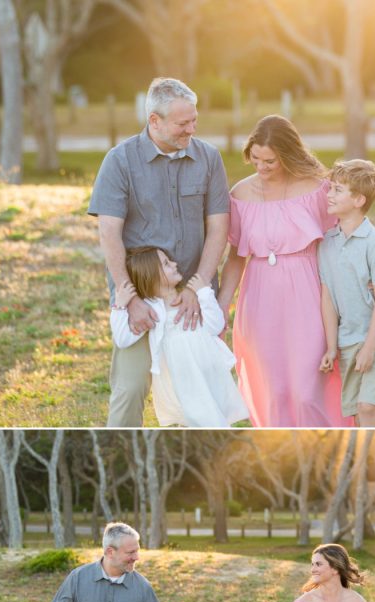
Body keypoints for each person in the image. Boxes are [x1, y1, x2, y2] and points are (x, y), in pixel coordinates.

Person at [89, 77, 231, 427]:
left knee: (195, 393)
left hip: (191, 298)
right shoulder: (119, 161)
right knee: (131, 387)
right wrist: (130, 297)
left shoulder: (209, 158)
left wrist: (197, 287)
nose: (191, 129)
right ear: (155, 120)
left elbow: (218, 228)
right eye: (183, 124)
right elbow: (109, 232)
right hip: (141, 297)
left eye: (194, 120)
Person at [217, 115, 351, 428]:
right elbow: (235, 257)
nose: (261, 168)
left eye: (270, 162)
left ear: (287, 156)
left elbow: (339, 244)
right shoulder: (240, 194)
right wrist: (223, 304)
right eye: (255, 159)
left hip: (308, 291)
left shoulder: (317, 189)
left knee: (307, 388)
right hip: (260, 295)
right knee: (273, 389)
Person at [110, 246, 248, 427]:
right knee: (200, 418)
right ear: (151, 276)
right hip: (182, 378)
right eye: (167, 264)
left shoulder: (192, 300)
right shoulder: (152, 310)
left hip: (208, 371)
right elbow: (123, 338)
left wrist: (204, 292)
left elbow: (216, 326)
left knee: (212, 416)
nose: (175, 264)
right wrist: (120, 307)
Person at [318, 159, 375, 427]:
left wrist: (370, 347)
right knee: (357, 411)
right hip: (348, 339)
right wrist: (332, 347)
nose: (329, 195)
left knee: (369, 407)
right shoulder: (326, 243)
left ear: (358, 200)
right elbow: (328, 297)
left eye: (337, 189)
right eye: (330, 188)